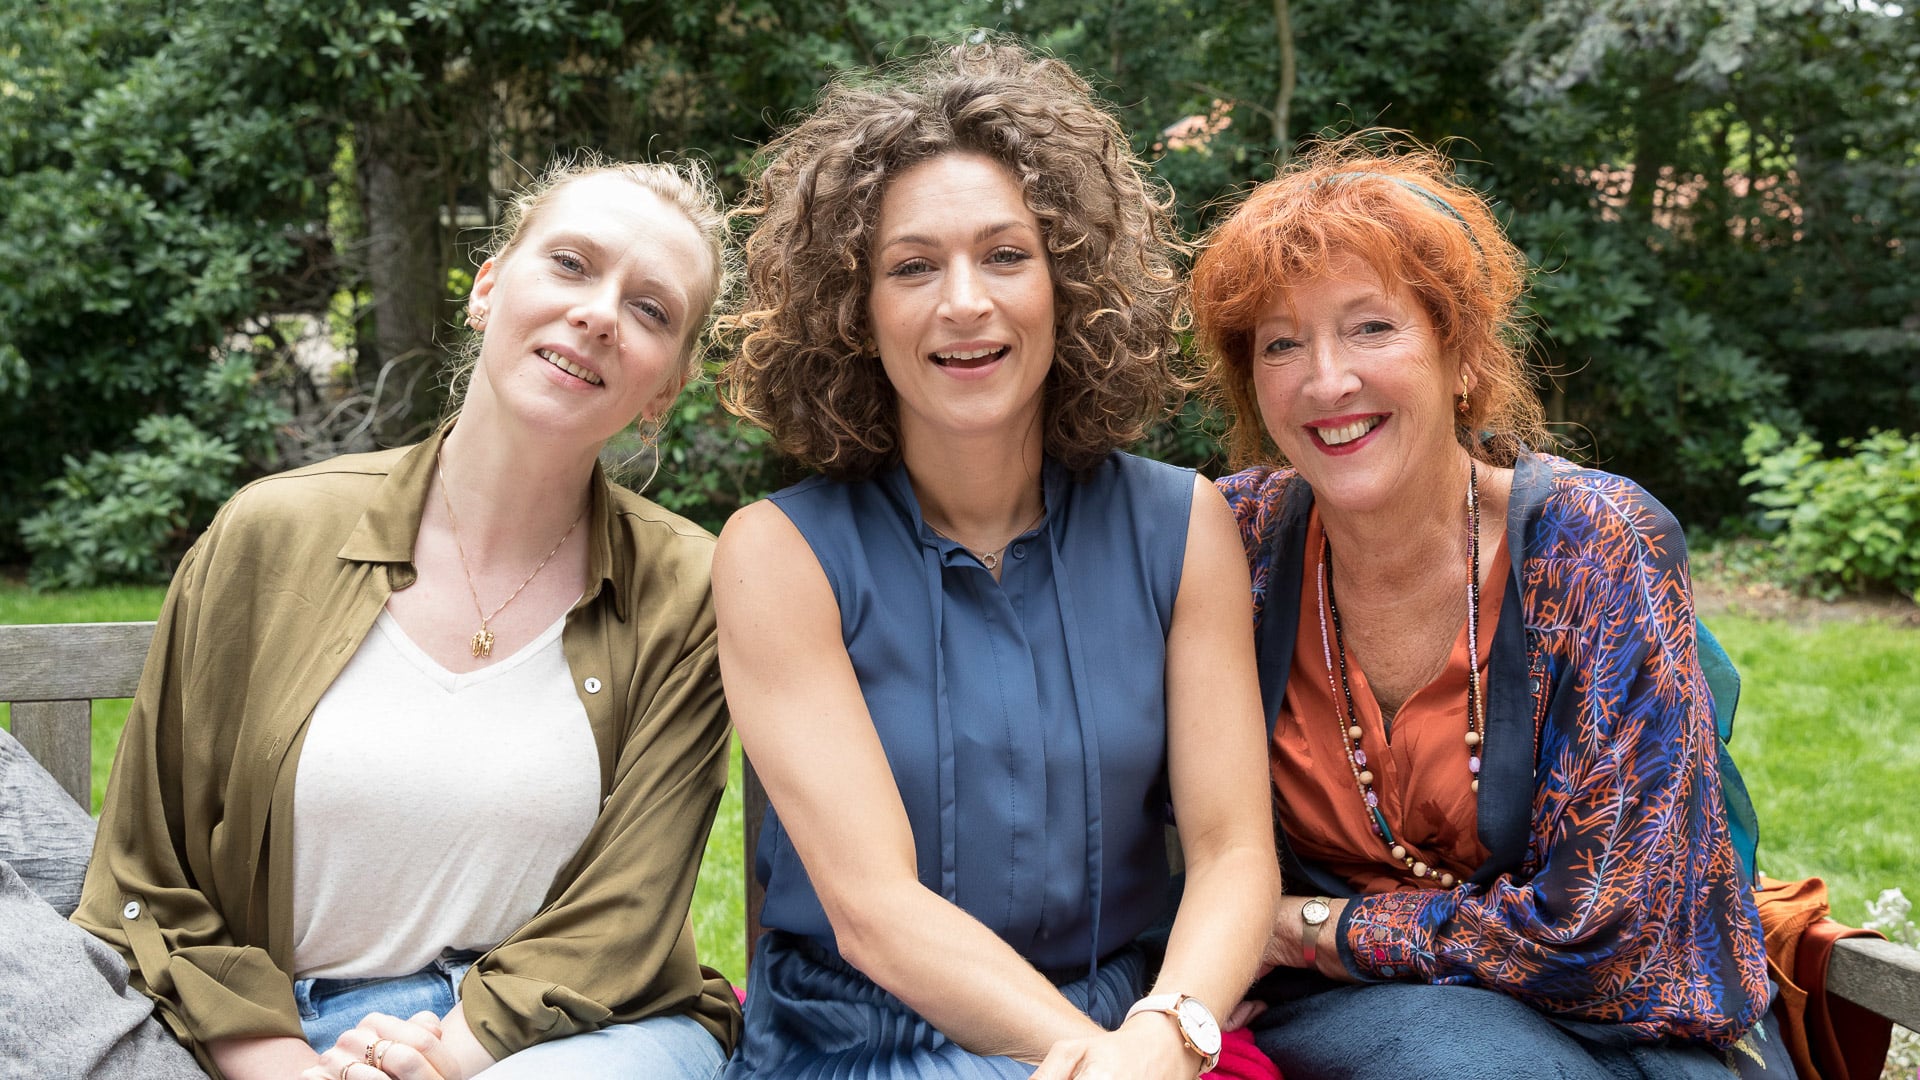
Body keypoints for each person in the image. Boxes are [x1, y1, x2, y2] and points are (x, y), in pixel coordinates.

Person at [70, 158, 742, 1080]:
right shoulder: (271, 534)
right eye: (571, 264)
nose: (598, 314)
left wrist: (439, 1059)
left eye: (651, 309)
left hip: (570, 1041)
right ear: (487, 287)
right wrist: (284, 1065)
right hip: (278, 1031)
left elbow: (627, 909)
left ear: (667, 387)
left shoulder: (692, 590)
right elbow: (150, 872)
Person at [713, 42, 1280, 1080]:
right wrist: (1099, 1064)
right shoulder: (778, 555)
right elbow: (874, 911)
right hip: (861, 1041)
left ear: (1069, 286)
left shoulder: (1181, 526)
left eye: (1006, 256)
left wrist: (1165, 1035)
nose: (964, 302)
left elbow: (1234, 851)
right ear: (853, 311)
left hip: (1138, 1020)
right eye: (912, 266)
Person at [1189, 136, 1792, 1077]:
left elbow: (1606, 933)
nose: (1326, 379)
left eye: (1371, 327)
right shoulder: (1233, 544)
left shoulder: (1595, 543)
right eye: (1281, 344)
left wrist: (1309, 926)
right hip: (1370, 1021)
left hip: (1626, 1021)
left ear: (1461, 354)